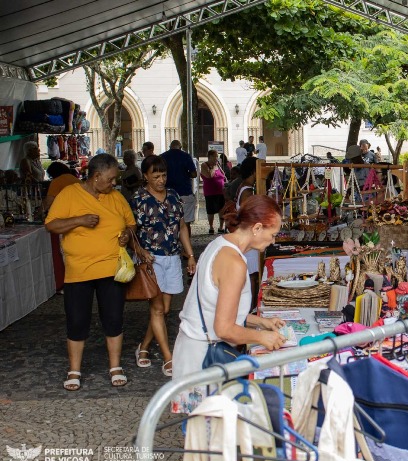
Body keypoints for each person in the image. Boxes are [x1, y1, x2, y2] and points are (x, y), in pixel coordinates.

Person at [171, 195, 288, 414]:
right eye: (272, 235)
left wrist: (260, 322)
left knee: (202, 435)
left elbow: (215, 305)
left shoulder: (220, 243)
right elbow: (224, 329)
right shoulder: (234, 262)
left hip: (193, 349)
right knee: (206, 436)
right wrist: (262, 337)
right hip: (203, 358)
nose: (273, 241)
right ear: (257, 228)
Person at [45, 153, 135, 390]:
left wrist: (126, 234)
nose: (114, 183)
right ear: (96, 177)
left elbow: (131, 222)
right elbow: (51, 224)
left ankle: (115, 366)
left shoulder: (115, 197)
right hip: (79, 270)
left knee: (114, 318)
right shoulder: (69, 195)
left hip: (111, 268)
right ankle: (74, 369)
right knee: (77, 320)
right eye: (111, 178)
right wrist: (79, 220)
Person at [131, 155, 197, 377]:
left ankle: (144, 347)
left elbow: (182, 227)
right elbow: (130, 231)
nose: (161, 180)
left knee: (164, 310)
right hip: (151, 260)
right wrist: (140, 251)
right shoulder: (139, 198)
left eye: (164, 175)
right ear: (146, 176)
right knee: (158, 309)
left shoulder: (174, 195)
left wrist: (190, 255)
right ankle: (168, 358)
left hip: (172, 257)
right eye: (156, 176)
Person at [44, 162, 81, 295]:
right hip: (79, 220)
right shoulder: (74, 179)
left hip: (65, 221)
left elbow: (49, 202)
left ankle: (69, 284)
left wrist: (41, 212)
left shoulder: (57, 182)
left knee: (65, 253)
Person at [233, 157, 261, 310]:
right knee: (252, 275)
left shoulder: (244, 187)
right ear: (253, 171)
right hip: (248, 237)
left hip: (247, 236)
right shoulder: (247, 191)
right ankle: (250, 307)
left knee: (252, 274)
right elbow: (249, 214)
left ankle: (249, 307)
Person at [161, 140, 197, 236]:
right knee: (186, 222)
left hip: (167, 194)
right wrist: (185, 174)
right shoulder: (186, 156)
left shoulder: (162, 157)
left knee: (169, 222)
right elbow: (194, 174)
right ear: (180, 147)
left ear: (169, 147)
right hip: (184, 192)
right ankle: (186, 246)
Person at [200, 149, 227, 234]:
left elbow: (223, 175)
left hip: (220, 190)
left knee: (222, 209)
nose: (217, 158)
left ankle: (221, 227)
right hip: (210, 191)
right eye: (215, 156)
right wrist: (213, 167)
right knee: (211, 209)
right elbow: (209, 175)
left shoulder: (218, 165)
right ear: (210, 157)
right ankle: (211, 227)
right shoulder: (205, 165)